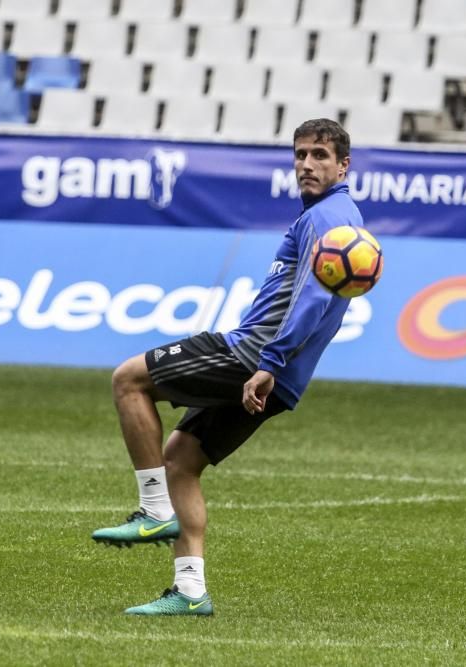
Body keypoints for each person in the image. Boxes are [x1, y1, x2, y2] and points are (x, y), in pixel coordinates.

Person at [92, 118, 365, 616]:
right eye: (301, 154)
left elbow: (314, 299)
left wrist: (270, 362)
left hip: (252, 356)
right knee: (181, 458)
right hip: (279, 376)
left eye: (320, 156)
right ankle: (191, 591)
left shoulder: (329, 220)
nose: (306, 164)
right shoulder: (332, 216)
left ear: (344, 165)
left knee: (128, 379)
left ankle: (153, 511)